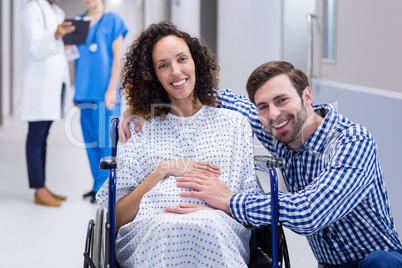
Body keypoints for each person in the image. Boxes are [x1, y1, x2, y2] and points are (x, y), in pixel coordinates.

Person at [121, 61, 402, 267]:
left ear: (306, 96)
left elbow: (309, 212)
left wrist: (229, 201)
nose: (274, 114)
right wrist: (146, 103)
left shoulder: (352, 142)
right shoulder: (280, 131)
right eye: (263, 106)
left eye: (282, 100)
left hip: (378, 260)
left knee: (380, 263)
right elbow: (210, 98)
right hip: (330, 265)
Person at [96, 21, 263, 267]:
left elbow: (253, 213)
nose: (175, 71)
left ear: (195, 62)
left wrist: (216, 213)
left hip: (218, 229)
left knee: (207, 226)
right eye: (163, 65)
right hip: (151, 232)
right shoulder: (139, 128)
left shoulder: (234, 123)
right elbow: (117, 219)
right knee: (167, 228)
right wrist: (162, 170)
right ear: (152, 76)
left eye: (182, 59)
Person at [21, 0, 75, 206]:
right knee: (36, 137)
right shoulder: (31, 10)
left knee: (43, 137)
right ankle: (39, 189)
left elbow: (60, 49)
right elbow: (35, 47)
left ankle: (42, 186)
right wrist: (56, 35)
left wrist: (67, 42)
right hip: (40, 85)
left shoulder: (57, 10)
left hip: (55, 83)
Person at [73, 0, 128, 203]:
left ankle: (106, 190)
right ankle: (97, 186)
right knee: (90, 142)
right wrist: (75, 89)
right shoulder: (79, 22)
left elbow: (117, 59)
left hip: (106, 92)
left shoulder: (113, 20)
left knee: (107, 144)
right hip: (84, 91)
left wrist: (112, 89)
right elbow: (74, 55)